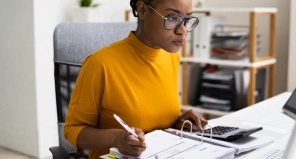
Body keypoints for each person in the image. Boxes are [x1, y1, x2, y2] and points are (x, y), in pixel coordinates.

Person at [63, 0, 207, 158]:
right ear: (143, 10)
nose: (183, 31)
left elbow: (152, 120)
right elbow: (73, 130)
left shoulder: (171, 57)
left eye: (187, 20)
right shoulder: (100, 64)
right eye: (172, 18)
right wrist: (116, 138)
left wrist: (178, 122)